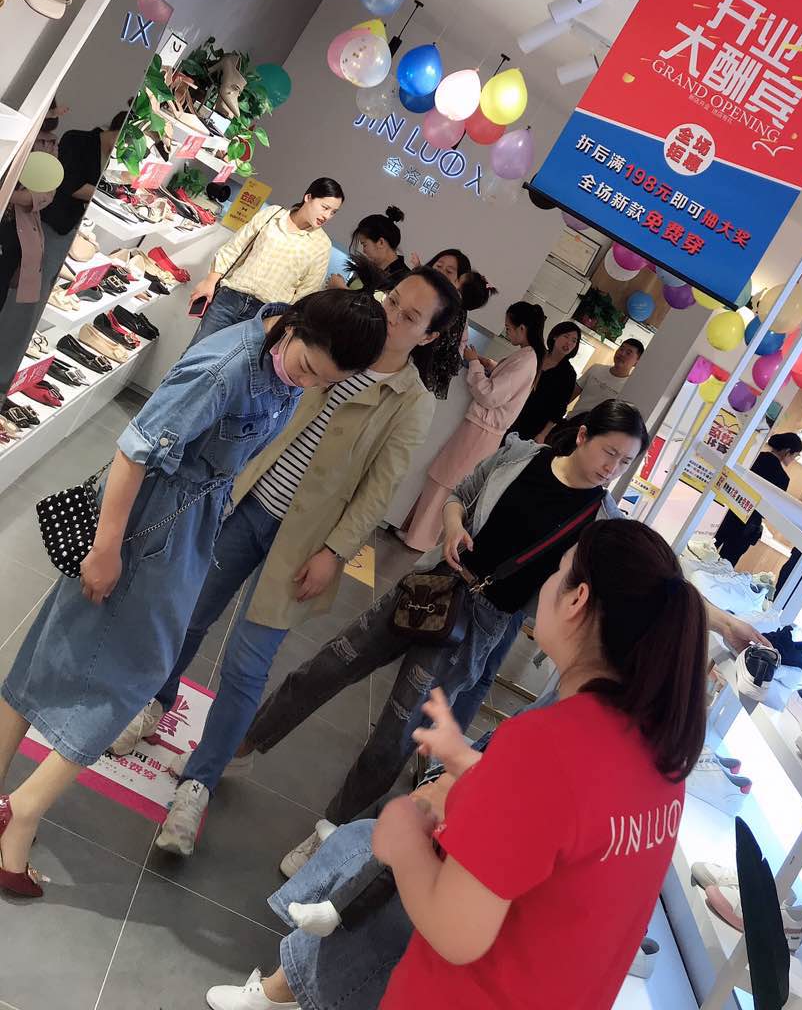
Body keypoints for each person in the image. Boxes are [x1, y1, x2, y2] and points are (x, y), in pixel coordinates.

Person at [208, 558, 767, 1010]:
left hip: (472, 985)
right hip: (549, 980)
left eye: (558, 572)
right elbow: (556, 824)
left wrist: (404, 837)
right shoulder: (660, 755)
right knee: (376, 869)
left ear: (576, 599)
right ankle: (288, 981)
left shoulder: (554, 741)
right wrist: (462, 766)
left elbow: (456, 930)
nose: (546, 583)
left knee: (378, 877)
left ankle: (288, 983)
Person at [0, 289, 388, 898]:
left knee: (69, 638)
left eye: (322, 380)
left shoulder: (279, 365)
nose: (307, 381)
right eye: (309, 367)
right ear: (294, 325)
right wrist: (106, 548)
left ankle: (12, 805)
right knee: (133, 673)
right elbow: (134, 450)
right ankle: (21, 815)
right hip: (149, 523)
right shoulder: (227, 366)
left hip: (185, 525)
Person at [244, 399, 650, 877]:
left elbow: (634, 582)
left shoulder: (601, 525)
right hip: (433, 587)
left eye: (625, 462)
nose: (612, 469)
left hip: (479, 627)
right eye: (609, 453)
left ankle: (328, 832)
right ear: (582, 436)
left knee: (397, 733)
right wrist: (454, 525)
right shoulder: (522, 456)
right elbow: (462, 493)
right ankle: (241, 742)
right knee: (330, 665)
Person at [135, 268, 465, 856]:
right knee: (189, 612)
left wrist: (335, 552)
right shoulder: (345, 337)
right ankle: (155, 703)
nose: (392, 315)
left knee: (247, 663)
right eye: (393, 300)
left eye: (410, 317)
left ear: (430, 336)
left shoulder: (411, 401)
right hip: (248, 500)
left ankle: (199, 782)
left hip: (306, 542)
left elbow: (378, 489)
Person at [397, 299, 545, 551]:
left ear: (523, 328)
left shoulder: (527, 359)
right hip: (482, 430)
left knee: (447, 481)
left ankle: (421, 539)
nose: (506, 332)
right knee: (446, 479)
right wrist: (489, 365)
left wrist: (474, 364)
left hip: (481, 431)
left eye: (509, 328)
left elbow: (490, 395)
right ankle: (419, 536)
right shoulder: (528, 357)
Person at [0, 107, 126, 391]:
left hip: (58, 229)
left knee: (27, 300)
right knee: (22, 299)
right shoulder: (77, 140)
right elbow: (67, 185)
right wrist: (106, 194)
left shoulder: (67, 145)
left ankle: (8, 365)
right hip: (42, 225)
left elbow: (50, 191)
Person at [187, 178, 344, 343]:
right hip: (230, 298)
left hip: (265, 317)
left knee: (229, 360)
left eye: (333, 212)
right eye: (325, 207)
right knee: (195, 353)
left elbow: (307, 293)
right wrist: (210, 280)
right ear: (308, 197)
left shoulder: (322, 245)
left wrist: (280, 323)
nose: (327, 216)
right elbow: (236, 247)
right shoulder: (273, 214)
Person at [714, 431, 802, 566]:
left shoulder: (754, 458)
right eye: (795, 455)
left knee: (705, 548)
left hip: (726, 512)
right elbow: (769, 509)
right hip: (747, 525)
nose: (793, 460)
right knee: (725, 564)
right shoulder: (783, 479)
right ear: (787, 451)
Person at [507, 320, 581, 443]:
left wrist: (543, 434)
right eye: (566, 336)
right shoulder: (536, 355)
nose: (569, 343)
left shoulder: (568, 374)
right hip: (511, 410)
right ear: (555, 336)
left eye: (574, 340)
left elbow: (559, 409)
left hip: (533, 424)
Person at [329, 206, 408, 292]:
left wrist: (342, 289)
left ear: (381, 242)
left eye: (364, 244)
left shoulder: (404, 280)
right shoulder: (370, 272)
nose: (364, 251)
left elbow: (373, 300)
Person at [572, 336, 645, 415]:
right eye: (621, 349)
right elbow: (572, 394)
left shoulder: (628, 388)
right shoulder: (596, 369)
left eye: (628, 353)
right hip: (572, 419)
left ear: (637, 362)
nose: (622, 354)